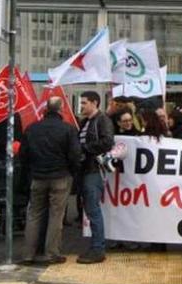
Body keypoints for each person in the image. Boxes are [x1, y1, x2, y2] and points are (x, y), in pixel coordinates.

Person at [19, 97, 82, 265]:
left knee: (34, 214)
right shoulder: (67, 129)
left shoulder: (32, 129)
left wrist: (30, 171)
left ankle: (28, 254)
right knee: (56, 215)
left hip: (38, 176)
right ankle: (51, 253)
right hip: (60, 176)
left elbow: (23, 155)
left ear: (46, 110)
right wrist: (73, 172)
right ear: (61, 110)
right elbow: (75, 155)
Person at [76, 91, 114, 264]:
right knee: (91, 210)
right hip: (86, 170)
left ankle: (98, 248)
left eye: (84, 103)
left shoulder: (102, 120)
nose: (82, 106)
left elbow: (107, 142)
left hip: (94, 170)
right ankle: (96, 246)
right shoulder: (86, 122)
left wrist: (84, 149)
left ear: (94, 103)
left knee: (93, 210)